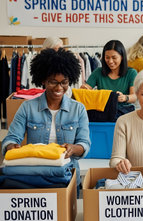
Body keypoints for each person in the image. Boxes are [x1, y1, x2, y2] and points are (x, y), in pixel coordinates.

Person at [1, 48, 91, 194]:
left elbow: (84, 143)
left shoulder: (78, 109)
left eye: (64, 82)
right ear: (43, 80)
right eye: (53, 82)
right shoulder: (28, 107)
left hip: (67, 177)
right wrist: (12, 147)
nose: (59, 88)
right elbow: (11, 137)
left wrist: (73, 148)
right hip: (35, 178)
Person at [81, 40, 138, 118]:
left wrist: (125, 97)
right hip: (102, 113)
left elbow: (134, 96)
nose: (110, 61)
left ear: (121, 57)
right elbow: (87, 88)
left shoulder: (131, 73)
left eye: (114, 57)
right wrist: (85, 89)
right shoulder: (98, 72)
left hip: (124, 114)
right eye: (107, 57)